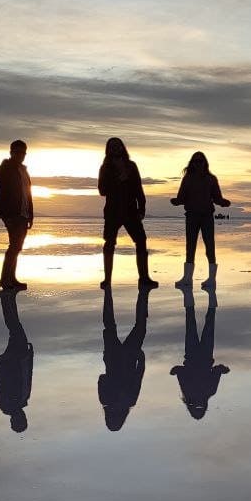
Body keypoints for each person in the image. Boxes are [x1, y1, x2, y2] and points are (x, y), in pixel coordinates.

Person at [97, 137, 158, 289]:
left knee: (141, 241)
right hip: (112, 212)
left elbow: (138, 188)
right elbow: (102, 190)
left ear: (122, 147)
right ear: (108, 149)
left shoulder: (131, 166)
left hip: (131, 210)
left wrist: (142, 208)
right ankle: (107, 280)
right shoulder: (105, 168)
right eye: (112, 146)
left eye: (118, 145)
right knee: (109, 243)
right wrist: (118, 179)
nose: (116, 148)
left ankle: (144, 278)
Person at [171, 151, 231, 290]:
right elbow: (181, 197)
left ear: (205, 163)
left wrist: (223, 202)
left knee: (210, 246)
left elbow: (217, 197)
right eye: (196, 161)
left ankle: (211, 279)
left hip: (207, 216)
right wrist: (176, 201)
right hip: (191, 215)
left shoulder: (211, 179)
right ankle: (187, 278)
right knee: (190, 247)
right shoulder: (187, 179)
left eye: (201, 161)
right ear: (192, 163)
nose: (198, 163)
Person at [171, 286, 230, 420]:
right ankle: (190, 292)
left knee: (208, 322)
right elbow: (180, 371)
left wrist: (223, 370)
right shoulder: (190, 391)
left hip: (203, 355)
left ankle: (209, 293)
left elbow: (216, 371)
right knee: (191, 321)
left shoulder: (209, 391)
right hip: (195, 355)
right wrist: (174, 372)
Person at [98, 285, 150, 431]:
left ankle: (143, 292)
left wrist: (142, 359)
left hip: (129, 357)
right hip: (113, 358)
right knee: (110, 325)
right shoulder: (105, 400)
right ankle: (107, 291)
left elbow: (139, 376)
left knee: (139, 326)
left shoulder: (130, 401)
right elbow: (102, 378)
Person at [0, 139, 34, 292]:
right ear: (11, 152)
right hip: (12, 214)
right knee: (14, 246)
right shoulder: (4, 169)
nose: (20, 155)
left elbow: (28, 194)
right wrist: (5, 215)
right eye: (17, 152)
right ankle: (5, 279)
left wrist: (31, 215)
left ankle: (12, 278)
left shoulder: (24, 170)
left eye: (22, 152)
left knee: (17, 247)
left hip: (23, 214)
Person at [0, 291, 34, 434]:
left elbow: (0, 382)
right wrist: (30, 356)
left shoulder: (6, 403)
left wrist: (4, 362)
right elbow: (27, 377)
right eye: (24, 419)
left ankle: (6, 298)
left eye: (21, 420)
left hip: (13, 360)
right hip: (20, 358)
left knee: (15, 328)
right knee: (16, 328)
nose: (23, 417)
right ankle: (9, 298)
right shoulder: (22, 401)